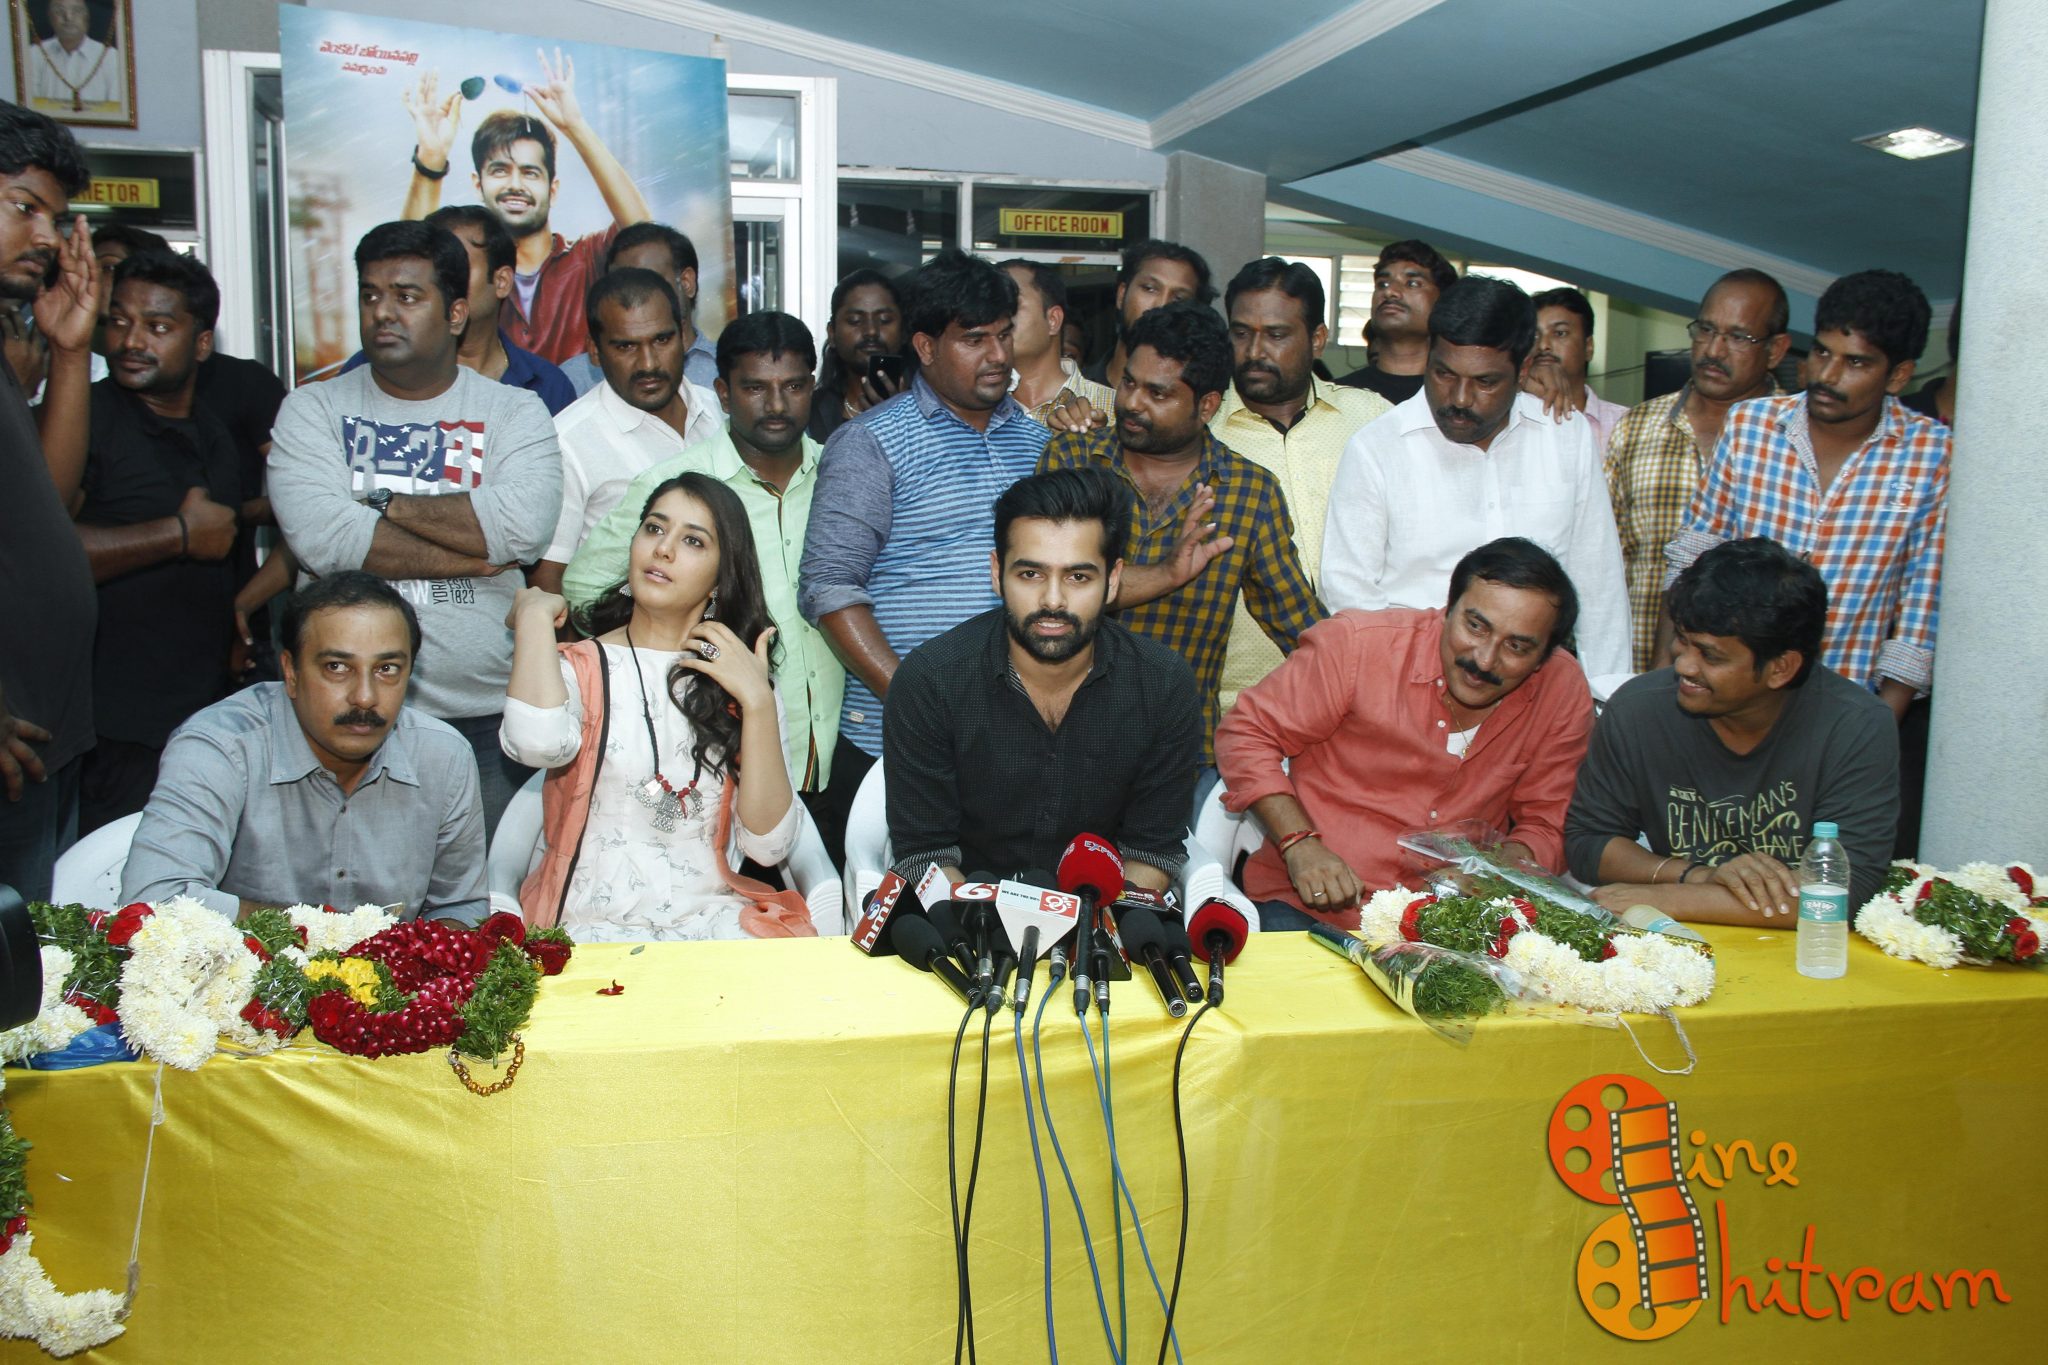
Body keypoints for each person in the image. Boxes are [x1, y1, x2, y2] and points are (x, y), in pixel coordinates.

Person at [267, 220, 562, 839]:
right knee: (343, 891)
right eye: (370, 295)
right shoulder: (311, 409)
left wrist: (380, 501)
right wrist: (475, 556)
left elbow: (521, 531)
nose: (383, 312)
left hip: (486, 717)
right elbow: (325, 542)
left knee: (485, 892)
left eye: (406, 296)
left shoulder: (515, 410)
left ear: (455, 313)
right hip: (342, 718)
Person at [560, 312, 846, 847]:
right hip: (717, 752)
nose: (777, 404)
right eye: (755, 388)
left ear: (813, 386)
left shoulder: (843, 473)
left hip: (838, 745)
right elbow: (583, 592)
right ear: (723, 393)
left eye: (793, 387)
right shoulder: (678, 488)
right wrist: (669, 650)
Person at [1217, 538, 1593, 930]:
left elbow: (1549, 821)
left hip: (1453, 926)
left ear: (1543, 657)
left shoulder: (1561, 691)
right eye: (1475, 626)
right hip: (1310, 910)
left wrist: (1493, 873)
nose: (1484, 660)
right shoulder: (1358, 646)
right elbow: (1247, 733)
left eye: (1516, 646)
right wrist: (1300, 843)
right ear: (1449, 608)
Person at [798, 248, 1046, 842]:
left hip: (1017, 740)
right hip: (895, 743)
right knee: (897, 899)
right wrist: (919, 701)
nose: (998, 356)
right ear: (926, 347)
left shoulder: (1037, 443)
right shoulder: (870, 443)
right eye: (975, 340)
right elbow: (829, 587)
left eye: (1005, 335)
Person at [503, 474, 813, 940]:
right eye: (654, 528)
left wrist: (757, 701)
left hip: (711, 924)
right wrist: (532, 618)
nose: (663, 549)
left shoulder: (742, 682)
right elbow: (535, 744)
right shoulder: (580, 666)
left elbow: (768, 847)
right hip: (587, 925)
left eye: (692, 540)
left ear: (721, 578)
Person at [1040, 301, 1324, 771]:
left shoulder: (1246, 492)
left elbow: (1300, 627)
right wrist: (1167, 573)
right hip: (1059, 743)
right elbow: (1048, 593)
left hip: (1178, 756)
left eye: (1158, 393)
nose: (1132, 402)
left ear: (1206, 406)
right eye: (1129, 382)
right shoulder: (1072, 461)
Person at [886, 467, 1201, 888]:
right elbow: (925, 854)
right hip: (969, 912)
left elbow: (1152, 851)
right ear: (997, 573)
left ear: (1112, 581)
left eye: (1078, 577)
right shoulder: (931, 681)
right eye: (1030, 574)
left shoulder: (1162, 684)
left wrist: (1090, 926)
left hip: (1106, 914)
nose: (1053, 600)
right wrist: (986, 924)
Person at [1661, 269, 1948, 723]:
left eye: (1856, 363)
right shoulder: (1751, 426)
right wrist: (1663, 687)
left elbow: (1920, 612)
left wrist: (1875, 732)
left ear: (1898, 375)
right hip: (1726, 703)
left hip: (1841, 714)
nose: (1827, 375)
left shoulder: (1932, 454)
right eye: (1821, 352)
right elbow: (1690, 560)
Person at [1566, 539, 1898, 925]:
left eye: (1710, 655)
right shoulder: (1637, 709)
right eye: (1683, 641)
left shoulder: (1855, 725)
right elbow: (1588, 845)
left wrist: (1667, 899)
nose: (1684, 666)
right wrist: (1696, 875)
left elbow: (1841, 892)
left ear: (1781, 668)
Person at [122, 572, 488, 922]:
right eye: (336, 667)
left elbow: (460, 909)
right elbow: (154, 901)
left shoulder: (443, 756)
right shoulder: (221, 747)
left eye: (387, 669)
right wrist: (330, 932)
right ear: (291, 672)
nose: (365, 697)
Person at [1321, 274, 1631, 678]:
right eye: (1444, 374)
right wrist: (1401, 686)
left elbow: (1599, 583)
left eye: (1485, 382)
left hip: (1537, 685)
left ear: (1523, 370)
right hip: (1410, 680)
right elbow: (1349, 590)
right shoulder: (1377, 448)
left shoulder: (1565, 437)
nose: (1460, 398)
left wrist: (1603, 697)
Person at [72, 251, 243, 833]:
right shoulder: (83, 421)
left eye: (158, 326)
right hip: (106, 730)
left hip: (195, 721)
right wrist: (177, 535)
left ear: (201, 344)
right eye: (119, 321)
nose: (131, 341)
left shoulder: (214, 434)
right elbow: (38, 556)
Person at [1212, 257, 1390, 711]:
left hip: (1362, 690)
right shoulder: (1200, 429)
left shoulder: (1370, 419)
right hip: (1235, 701)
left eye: (1276, 335)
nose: (1255, 351)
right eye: (1241, 333)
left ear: (1317, 339)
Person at [398, 52, 651, 364]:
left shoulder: (587, 258)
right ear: (478, 184)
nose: (515, 184)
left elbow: (644, 235)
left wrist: (575, 127)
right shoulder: (464, 269)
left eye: (530, 172)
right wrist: (431, 160)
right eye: (500, 170)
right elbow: (404, 269)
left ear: (552, 189)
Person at [0, 99, 98, 901]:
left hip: (44, 727)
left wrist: (70, 350)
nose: (46, 237)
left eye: (56, 219)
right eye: (24, 207)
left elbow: (48, 500)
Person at [1604, 269, 1789, 670]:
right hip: (1637, 676)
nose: (1714, 351)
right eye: (1706, 330)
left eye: (1738, 337)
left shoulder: (1795, 442)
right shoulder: (1637, 428)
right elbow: (1604, 561)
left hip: (1751, 686)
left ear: (1776, 350)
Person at [533, 268, 724, 592]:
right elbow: (547, 587)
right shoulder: (566, 444)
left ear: (682, 334)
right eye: (626, 347)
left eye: (661, 340)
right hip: (617, 624)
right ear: (595, 351)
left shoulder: (719, 411)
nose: (648, 363)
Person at [340, 205, 575, 416]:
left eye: (457, 266)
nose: (441, 281)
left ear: (502, 281)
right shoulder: (369, 369)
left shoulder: (546, 385)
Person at [565, 222, 720, 396]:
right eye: (622, 284)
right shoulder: (573, 378)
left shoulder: (726, 370)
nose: (635, 294)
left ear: (686, 283)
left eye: (649, 281)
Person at [1080, 238, 1215, 393]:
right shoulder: (1073, 391)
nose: (1162, 305)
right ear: (1121, 295)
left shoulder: (1204, 400)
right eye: (1150, 288)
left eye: (1179, 298)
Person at [1335, 239, 1457, 403]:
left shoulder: (1458, 398)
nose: (1389, 292)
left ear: (1443, 302)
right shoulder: (1335, 398)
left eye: (1412, 283)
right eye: (1382, 284)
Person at [1000, 257, 1112, 427]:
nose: (998, 316)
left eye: (1011, 303)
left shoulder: (1113, 408)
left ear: (1053, 320)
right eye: (992, 306)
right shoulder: (973, 409)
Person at [807, 269, 911, 443]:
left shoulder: (928, 408)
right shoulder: (810, 411)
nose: (871, 331)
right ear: (832, 333)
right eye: (855, 320)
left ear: (903, 331)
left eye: (884, 320)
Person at [1523, 287, 1628, 447]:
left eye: (1560, 333)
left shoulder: (1625, 424)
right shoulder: (1509, 418)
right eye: (1534, 336)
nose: (1543, 345)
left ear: (1588, 347)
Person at [24, 0, 121, 114]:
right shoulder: (34, 54)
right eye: (59, 11)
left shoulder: (111, 57)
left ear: (87, 17)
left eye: (76, 10)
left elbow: (115, 111)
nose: (68, 17)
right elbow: (31, 109)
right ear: (50, 18)